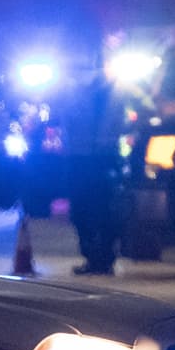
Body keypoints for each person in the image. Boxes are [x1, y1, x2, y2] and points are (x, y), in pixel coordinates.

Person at [63, 63, 125, 275]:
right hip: (84, 158)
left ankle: (102, 258)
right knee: (84, 211)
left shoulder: (113, 94)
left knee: (103, 211)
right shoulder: (77, 94)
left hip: (99, 159)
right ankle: (95, 256)